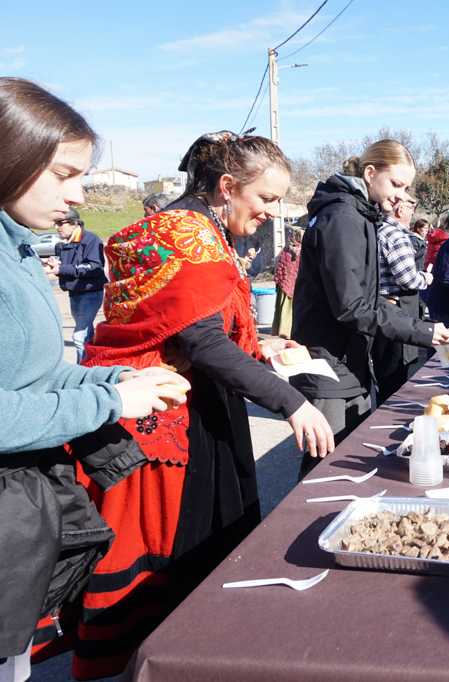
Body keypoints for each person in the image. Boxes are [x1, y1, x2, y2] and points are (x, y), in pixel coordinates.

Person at [70, 132, 335, 678]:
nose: (271, 212)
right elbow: (202, 343)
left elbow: (197, 326)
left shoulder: (197, 229)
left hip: (185, 401)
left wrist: (260, 345)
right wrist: (292, 403)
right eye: (265, 198)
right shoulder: (189, 236)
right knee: (180, 557)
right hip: (170, 416)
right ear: (228, 186)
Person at [0, 77, 188, 682]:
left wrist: (117, 378)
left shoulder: (19, 251)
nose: (78, 194)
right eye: (63, 174)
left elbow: (37, 371)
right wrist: (110, 401)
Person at [291, 139, 449, 476]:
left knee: (346, 466)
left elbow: (367, 296)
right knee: (326, 472)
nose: (400, 196)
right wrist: (421, 331)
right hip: (330, 367)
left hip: (347, 363)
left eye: (405, 188)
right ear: (370, 173)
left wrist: (420, 328)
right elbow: (352, 305)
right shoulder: (343, 218)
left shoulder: (358, 214)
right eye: (396, 184)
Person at [372, 194, 432, 402]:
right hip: (396, 312)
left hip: (382, 311)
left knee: (385, 376)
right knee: (395, 379)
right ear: (400, 209)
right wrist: (426, 278)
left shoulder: (378, 230)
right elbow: (408, 279)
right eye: (411, 207)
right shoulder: (396, 235)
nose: (413, 213)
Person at [43, 208, 107, 362]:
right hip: (75, 293)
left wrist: (61, 269)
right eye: (55, 223)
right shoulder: (66, 243)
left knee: (79, 336)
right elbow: (70, 265)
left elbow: (94, 266)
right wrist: (55, 264)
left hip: (90, 293)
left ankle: (83, 368)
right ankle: (91, 364)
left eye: (60, 223)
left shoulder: (90, 240)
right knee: (85, 334)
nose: (57, 227)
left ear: (74, 223)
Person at [272, 226, 302, 337]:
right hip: (297, 286)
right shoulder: (302, 251)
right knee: (292, 310)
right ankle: (289, 332)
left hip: (284, 285)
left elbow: (279, 266)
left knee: (283, 308)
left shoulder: (285, 250)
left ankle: (282, 331)